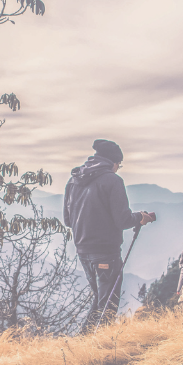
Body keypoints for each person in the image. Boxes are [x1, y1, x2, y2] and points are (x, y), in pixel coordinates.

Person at [63, 139, 156, 330]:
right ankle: (98, 348)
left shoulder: (73, 180)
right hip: (106, 252)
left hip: (82, 250)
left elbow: (67, 220)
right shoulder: (113, 181)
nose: (117, 169)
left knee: (100, 300)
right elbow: (122, 220)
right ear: (113, 162)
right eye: (119, 165)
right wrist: (140, 217)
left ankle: (84, 343)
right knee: (108, 304)